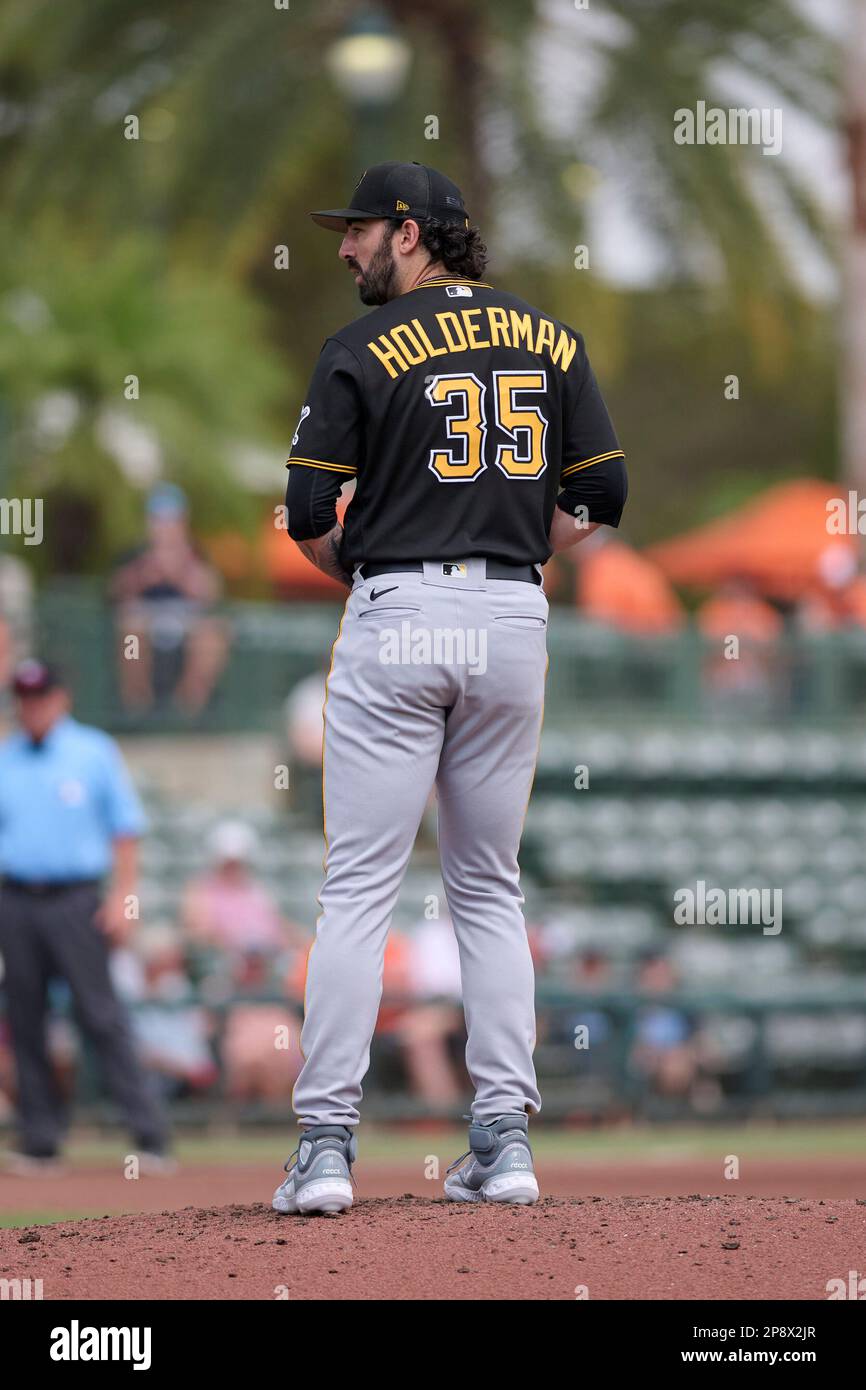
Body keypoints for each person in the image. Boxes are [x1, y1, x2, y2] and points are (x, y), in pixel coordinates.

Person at [272, 161, 627, 1215]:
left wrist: (382, 564)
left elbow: (302, 512)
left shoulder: (359, 348)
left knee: (357, 889)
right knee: (487, 886)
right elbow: (602, 493)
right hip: (513, 616)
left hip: (399, 615)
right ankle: (504, 1144)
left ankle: (327, 1149)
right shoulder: (551, 338)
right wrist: (515, 550)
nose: (344, 249)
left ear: (410, 233)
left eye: (358, 231)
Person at [0, 659, 170, 1172]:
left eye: (41, 696)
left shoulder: (92, 752)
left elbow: (125, 829)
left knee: (100, 1015)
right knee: (25, 1017)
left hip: (76, 899)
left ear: (61, 697)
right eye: (25, 698)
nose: (33, 706)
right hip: (15, 899)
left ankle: (150, 1136)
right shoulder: (6, 757)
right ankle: (40, 1140)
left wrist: (124, 897)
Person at [109, 483, 229, 717]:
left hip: (186, 622)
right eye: (159, 520)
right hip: (144, 621)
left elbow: (213, 594)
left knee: (212, 634)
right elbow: (116, 592)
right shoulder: (134, 553)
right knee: (131, 634)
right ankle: (137, 708)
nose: (165, 527)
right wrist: (144, 574)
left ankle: (188, 710)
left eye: (171, 520)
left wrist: (183, 573)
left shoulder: (197, 552)